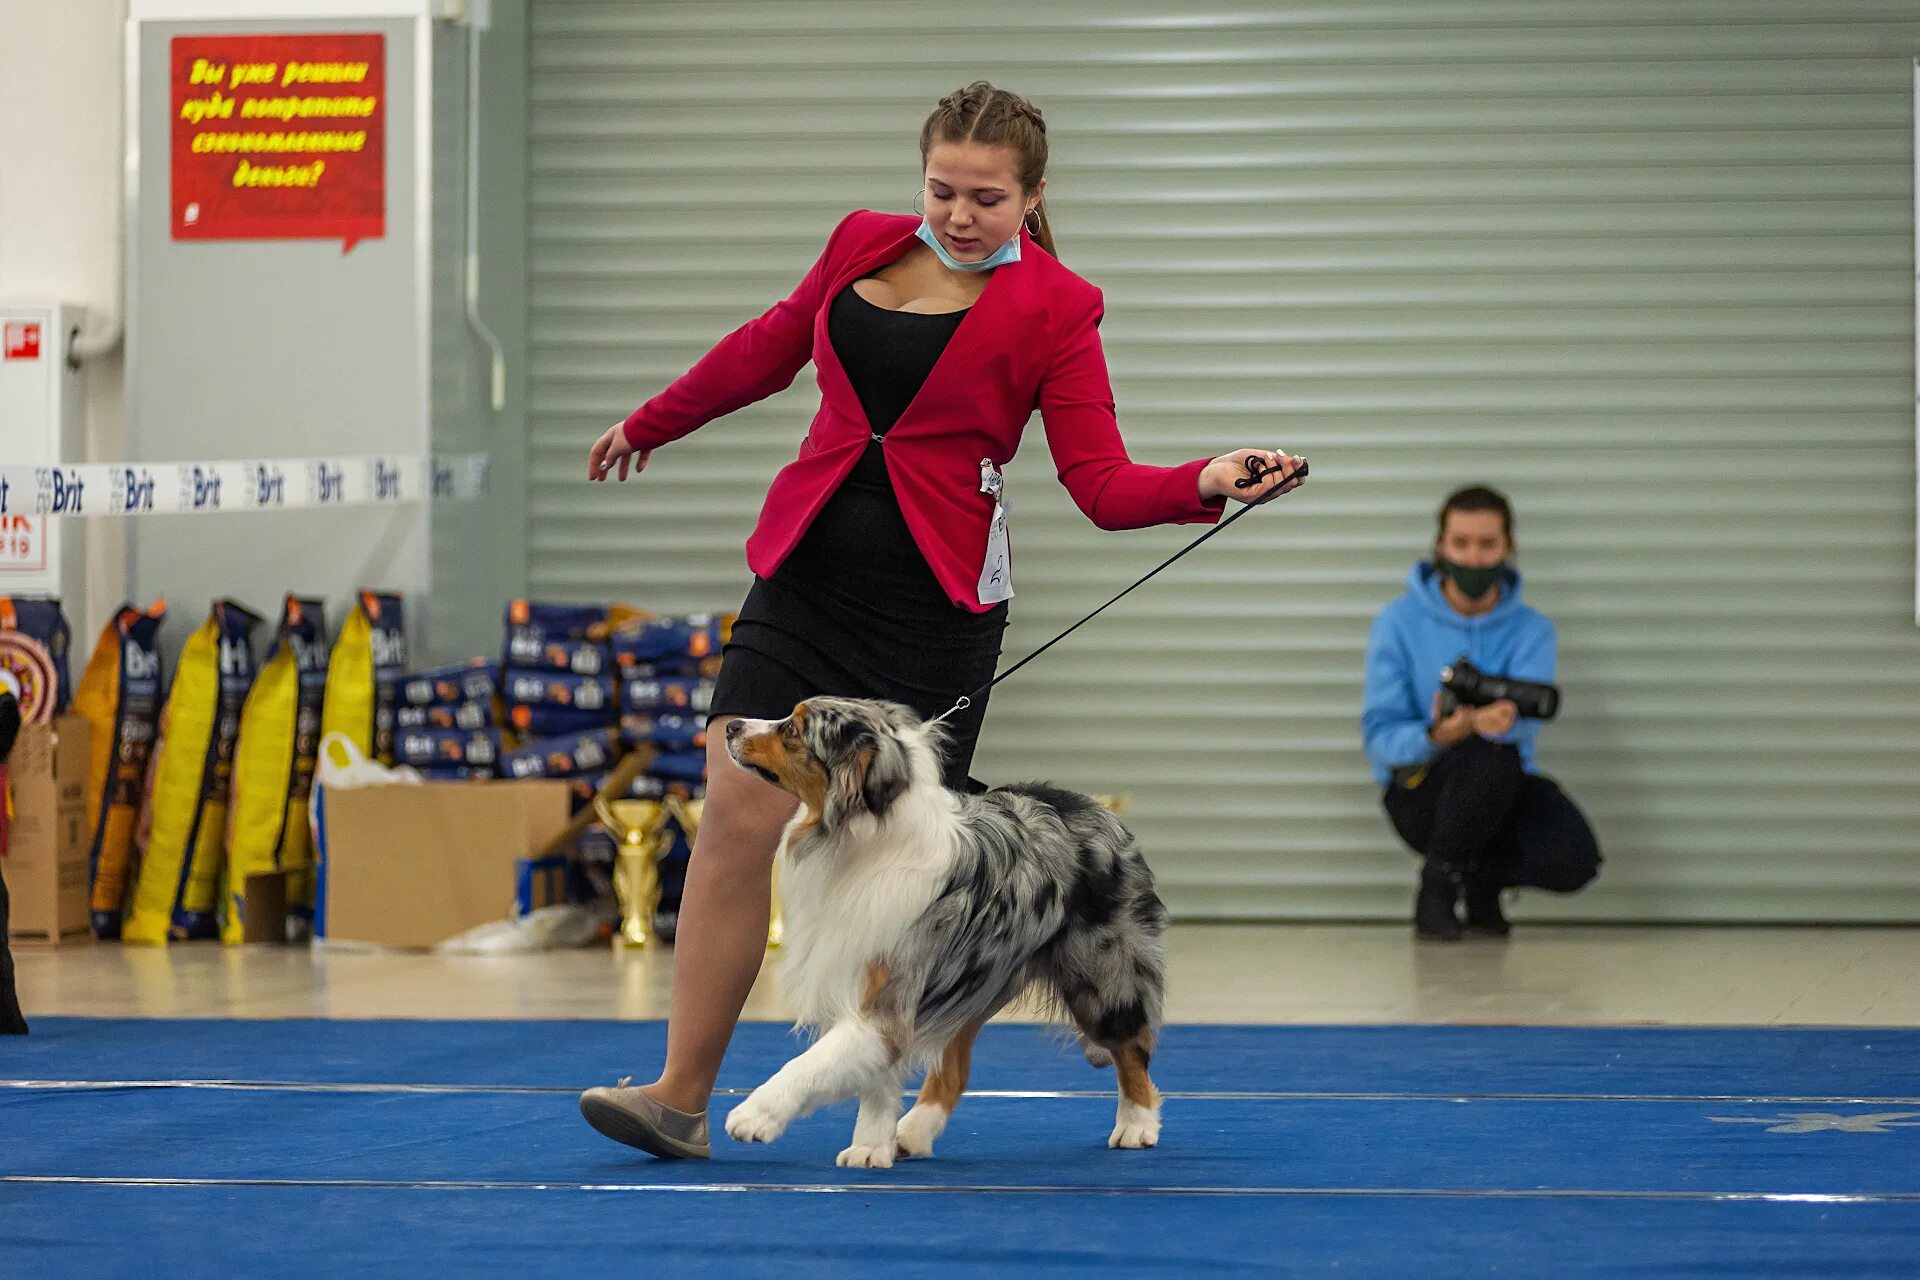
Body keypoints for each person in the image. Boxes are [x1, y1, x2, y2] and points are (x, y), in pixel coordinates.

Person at [576, 82, 1306, 1159]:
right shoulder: (859, 243)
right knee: (733, 803)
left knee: (906, 874)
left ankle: (900, 1073)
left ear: (1034, 195)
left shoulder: (1061, 306)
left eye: (988, 198)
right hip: (804, 573)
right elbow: (766, 346)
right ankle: (681, 1097)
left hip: (934, 609)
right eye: (942, 190)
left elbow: (1099, 481)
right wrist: (652, 419)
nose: (960, 216)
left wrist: (1208, 477)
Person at [1360, 485, 1599, 941]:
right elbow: (1380, 736)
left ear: (1508, 547)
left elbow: (1530, 715)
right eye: (1461, 542)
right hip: (1421, 791)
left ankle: (1479, 879)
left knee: (1575, 857)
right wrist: (1441, 733)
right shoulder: (1398, 622)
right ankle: (1437, 884)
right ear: (1440, 546)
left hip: (1502, 785)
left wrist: (1496, 721)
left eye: (1487, 544)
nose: (1473, 557)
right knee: (1485, 754)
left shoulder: (1533, 629)